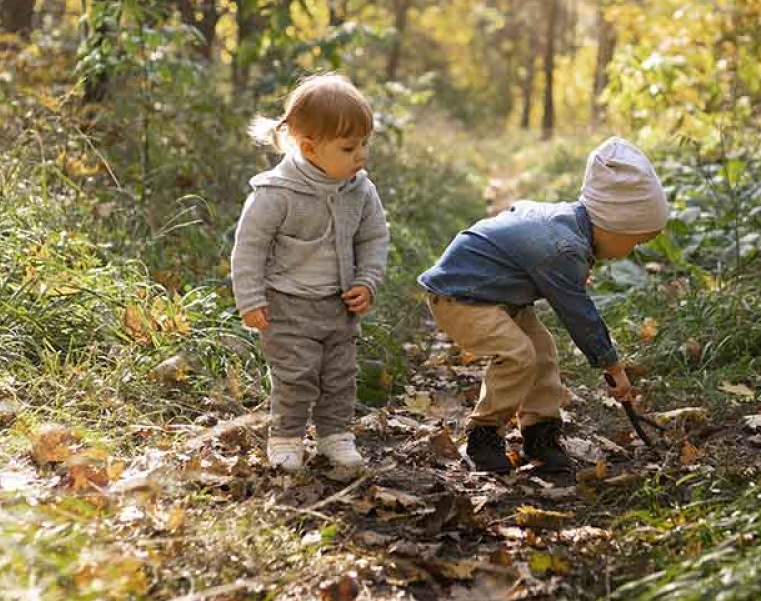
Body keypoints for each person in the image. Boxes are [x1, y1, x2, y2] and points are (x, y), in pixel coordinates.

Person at [419, 137, 668, 473]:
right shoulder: (564, 249)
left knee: (542, 350)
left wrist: (567, 272)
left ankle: (540, 432)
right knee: (518, 353)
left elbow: (521, 219)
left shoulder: (567, 226)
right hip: (461, 295)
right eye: (636, 240)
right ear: (613, 223)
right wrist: (612, 367)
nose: (634, 248)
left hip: (499, 297)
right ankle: (483, 435)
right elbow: (580, 316)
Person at [231, 73, 389, 472]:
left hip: (338, 306)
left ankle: (336, 435)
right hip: (287, 305)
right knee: (296, 376)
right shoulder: (275, 194)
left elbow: (374, 237)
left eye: (365, 144)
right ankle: (285, 437)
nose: (361, 155)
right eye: (349, 147)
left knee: (340, 375)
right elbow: (249, 248)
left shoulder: (360, 189)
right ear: (308, 148)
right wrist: (250, 299)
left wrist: (366, 281)